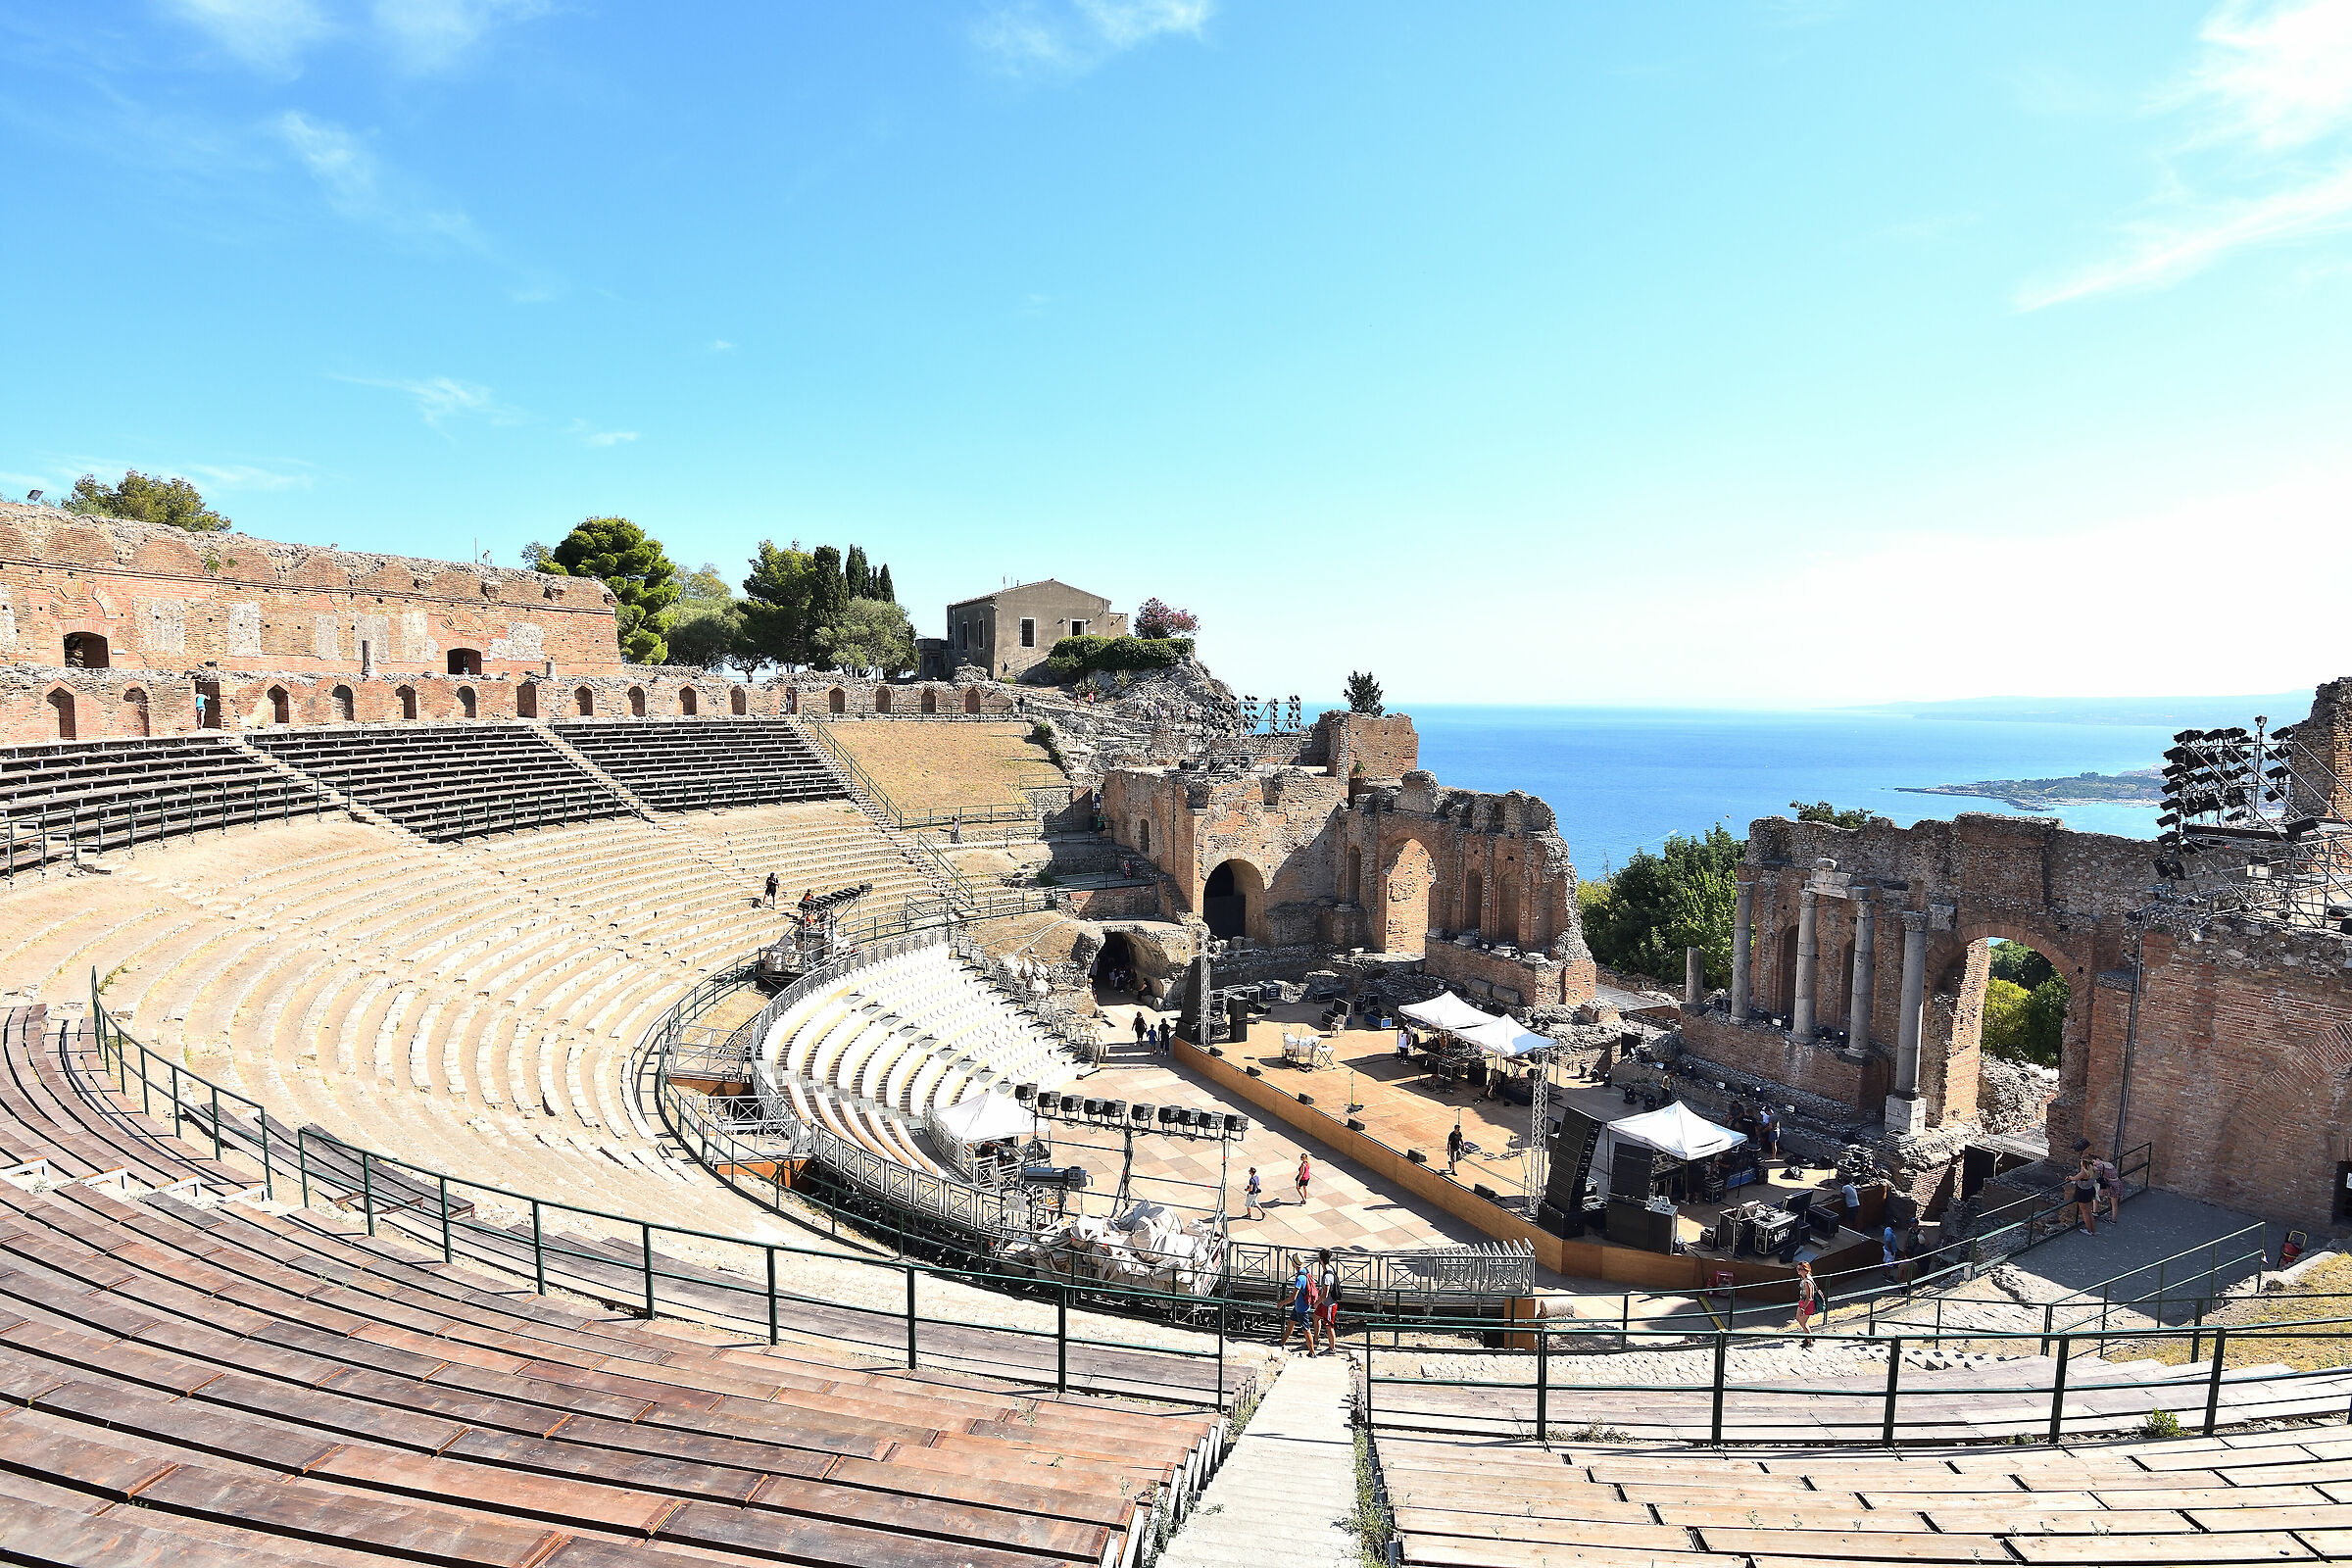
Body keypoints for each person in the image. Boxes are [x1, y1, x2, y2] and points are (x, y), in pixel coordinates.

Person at [1280, 1261, 1320, 1354]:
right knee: (1290, 1323)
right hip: (1300, 1306)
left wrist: (1282, 1303)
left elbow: (1293, 1297)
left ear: (1293, 1264)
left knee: (1306, 1330)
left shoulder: (1299, 1278)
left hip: (1301, 1308)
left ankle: (1312, 1352)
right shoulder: (1305, 1271)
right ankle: (1282, 1343)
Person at [1314, 1249, 1342, 1352]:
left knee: (1329, 1326)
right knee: (1316, 1317)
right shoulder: (1330, 1268)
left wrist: (1317, 1303)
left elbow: (1325, 1294)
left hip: (1329, 1304)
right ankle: (1316, 1339)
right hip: (1325, 1302)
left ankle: (1332, 1348)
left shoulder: (1327, 1276)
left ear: (1320, 1260)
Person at [2071, 1156, 2100, 1235]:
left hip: (2082, 1192)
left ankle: (2089, 1230)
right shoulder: (2094, 1171)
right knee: (2089, 1212)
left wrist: (2069, 1177)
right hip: (2089, 1191)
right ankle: (2093, 1230)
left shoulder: (2084, 1172)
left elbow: (2074, 1178)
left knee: (2084, 1212)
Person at [2093, 1152, 2123, 1225]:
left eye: (2094, 1161)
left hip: (2111, 1185)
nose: (2094, 1163)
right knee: (2114, 1204)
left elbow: (2091, 1168)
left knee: (2096, 1196)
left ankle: (2096, 1211)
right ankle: (2113, 1219)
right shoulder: (2109, 1164)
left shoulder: (2100, 1166)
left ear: (2097, 1159)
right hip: (2117, 1183)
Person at [1793, 1260, 1819, 1346]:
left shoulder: (1807, 1282)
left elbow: (1809, 1297)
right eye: (1797, 1269)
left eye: (1800, 1269)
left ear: (1806, 1270)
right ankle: (1809, 1335)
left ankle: (1809, 1342)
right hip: (1802, 1301)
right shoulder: (1804, 1278)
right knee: (1798, 1319)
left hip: (1807, 1305)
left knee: (1803, 1323)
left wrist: (1803, 1309)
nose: (1798, 1271)